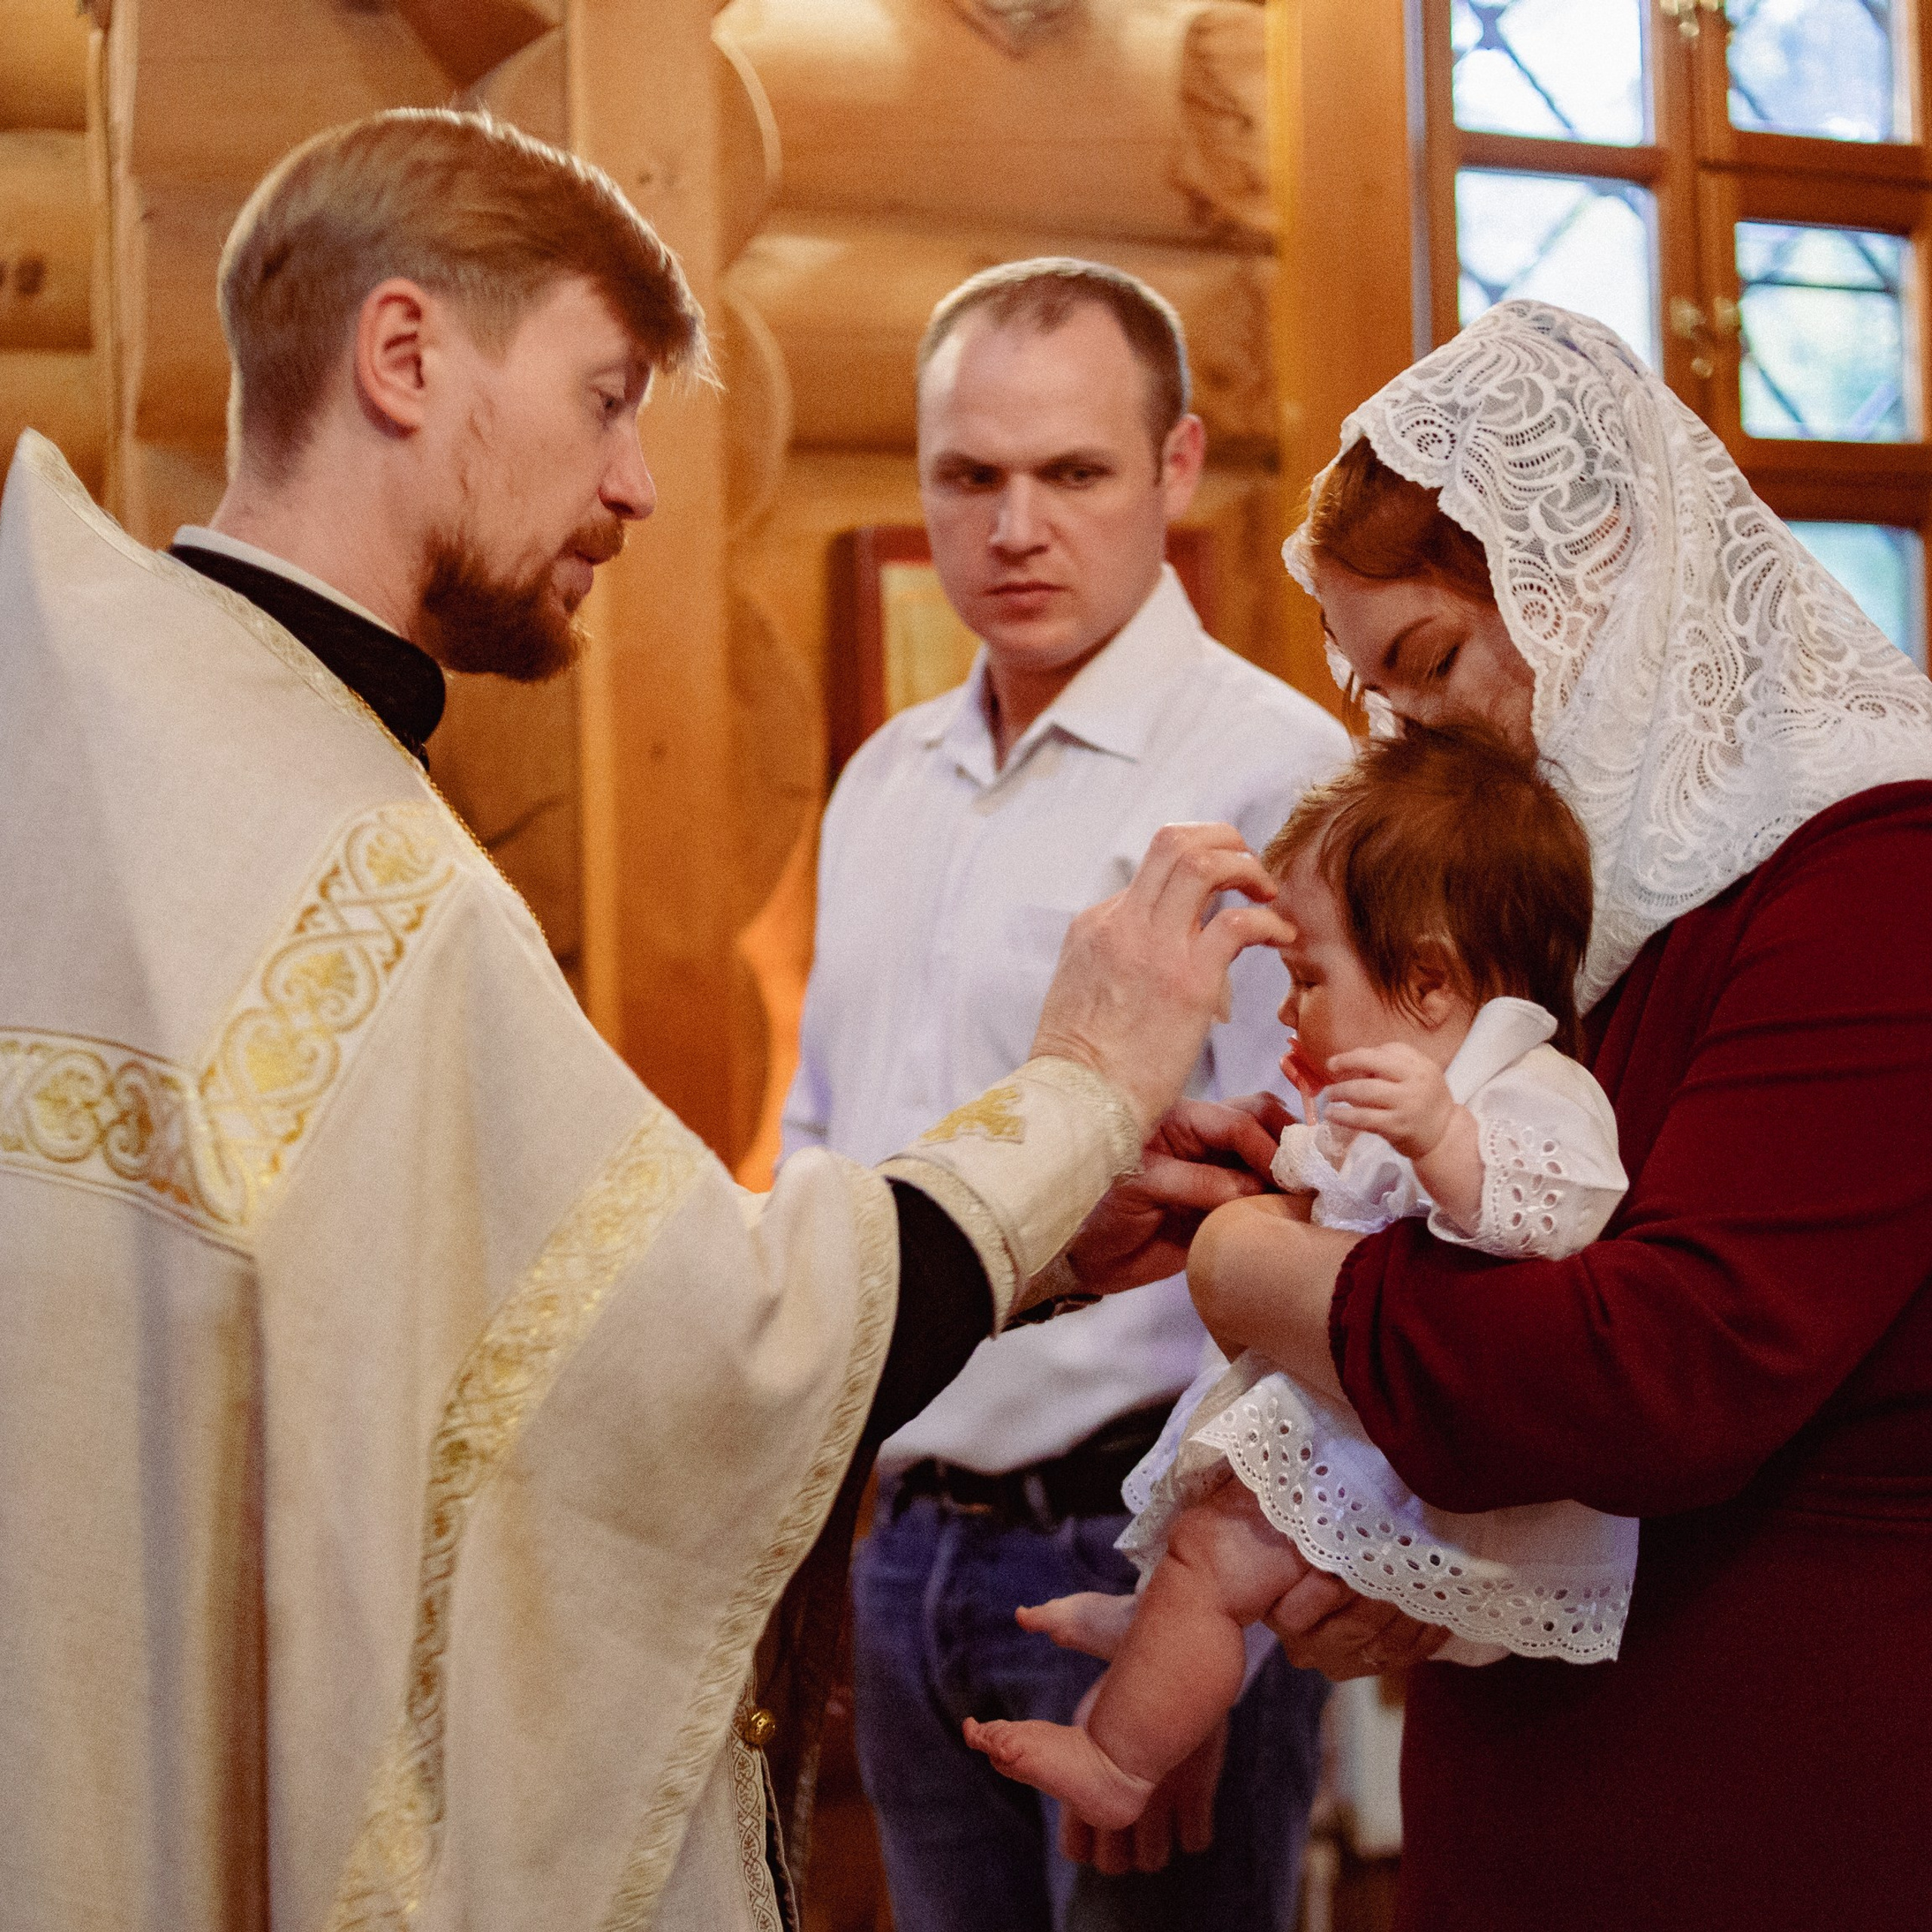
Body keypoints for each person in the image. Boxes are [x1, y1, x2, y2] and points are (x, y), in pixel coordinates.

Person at [0, 112, 1296, 1932]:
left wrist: (1062, 1291)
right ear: (402, 356)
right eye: (605, 397)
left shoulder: (107, 729)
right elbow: (700, 1344)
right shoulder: (351, 866)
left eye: (1069, 473)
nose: (637, 485)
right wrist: (1080, 1083)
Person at [1183, 300, 1932, 1930]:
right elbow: (1488, 1275)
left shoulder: (1879, 868)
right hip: (1546, 1759)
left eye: (1436, 665)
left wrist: (1256, 1274)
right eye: (1381, 697)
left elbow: (1648, 1370)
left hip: (1777, 1791)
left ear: (1594, 582)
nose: (1420, 741)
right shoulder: (1587, 897)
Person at [780, 259, 1348, 1930]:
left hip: (1139, 1541)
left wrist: (1213, 1605)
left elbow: (1322, 1199)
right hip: (903, 1540)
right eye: (969, 475)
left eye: (1072, 472)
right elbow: (827, 1135)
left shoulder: (1278, 773)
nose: (1013, 523)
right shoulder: (885, 776)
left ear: (1172, 468)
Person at [963, 721, 1635, 1827]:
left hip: (1438, 1473)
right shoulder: (1409, 1093)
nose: (1289, 1010)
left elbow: (1562, 1214)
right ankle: (1158, 1626)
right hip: (1369, 1428)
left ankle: (1120, 1763)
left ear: (1428, 982)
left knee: (1221, 1548)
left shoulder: (1525, 1088)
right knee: (1211, 1545)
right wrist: (1272, 1151)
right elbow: (1335, 1186)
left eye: (1310, 978)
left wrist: (1443, 1147)